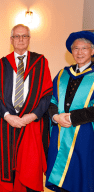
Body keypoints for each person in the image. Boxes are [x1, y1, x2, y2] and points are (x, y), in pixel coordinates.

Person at [0, 24, 53, 192]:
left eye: (24, 36)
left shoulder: (40, 62)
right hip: (7, 125)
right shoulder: (0, 65)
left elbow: (47, 94)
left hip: (31, 124)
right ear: (11, 40)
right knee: (7, 171)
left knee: (30, 170)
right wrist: (7, 116)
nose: (20, 39)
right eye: (17, 36)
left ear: (29, 39)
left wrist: (31, 116)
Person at [46, 31, 94, 192]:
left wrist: (73, 118)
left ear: (92, 51)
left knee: (82, 176)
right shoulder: (62, 74)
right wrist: (56, 116)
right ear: (71, 52)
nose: (79, 52)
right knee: (62, 181)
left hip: (85, 133)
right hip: (60, 131)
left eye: (84, 48)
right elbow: (51, 100)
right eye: (76, 48)